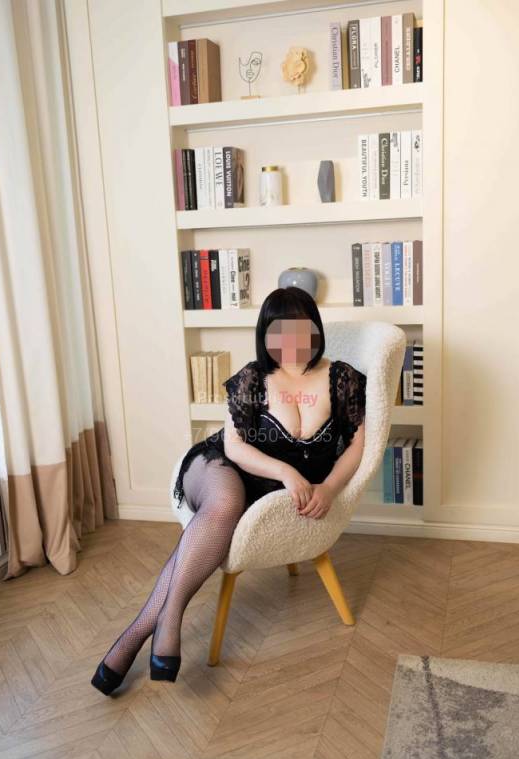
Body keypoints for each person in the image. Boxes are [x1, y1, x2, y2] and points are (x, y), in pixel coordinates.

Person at [91, 287, 366, 695]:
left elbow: (358, 444)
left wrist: (328, 487)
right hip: (221, 466)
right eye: (280, 331)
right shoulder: (253, 378)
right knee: (223, 507)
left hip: (272, 491)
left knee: (220, 516)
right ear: (266, 335)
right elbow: (235, 447)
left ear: (315, 329)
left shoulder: (340, 378)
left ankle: (135, 636)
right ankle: (170, 619)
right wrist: (287, 472)